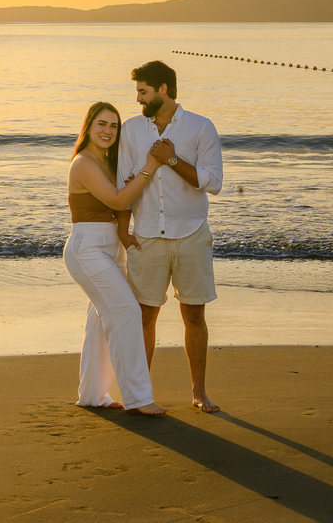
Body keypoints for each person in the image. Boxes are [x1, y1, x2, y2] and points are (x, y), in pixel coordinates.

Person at [116, 61, 224, 413]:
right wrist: (123, 227)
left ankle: (199, 392)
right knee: (145, 317)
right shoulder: (131, 131)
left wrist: (172, 159)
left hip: (192, 234)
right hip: (146, 236)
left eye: (142, 92)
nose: (137, 99)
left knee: (194, 316)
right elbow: (123, 184)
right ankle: (141, 394)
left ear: (163, 89)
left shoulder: (200, 127)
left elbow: (215, 182)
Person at [65, 101, 165, 416]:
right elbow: (119, 198)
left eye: (114, 125)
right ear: (89, 127)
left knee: (100, 321)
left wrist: (124, 230)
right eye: (102, 124)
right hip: (88, 248)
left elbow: (123, 206)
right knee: (126, 312)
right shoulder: (83, 163)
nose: (108, 131)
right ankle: (139, 399)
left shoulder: (109, 161)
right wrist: (151, 165)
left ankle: (93, 394)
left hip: (111, 247)